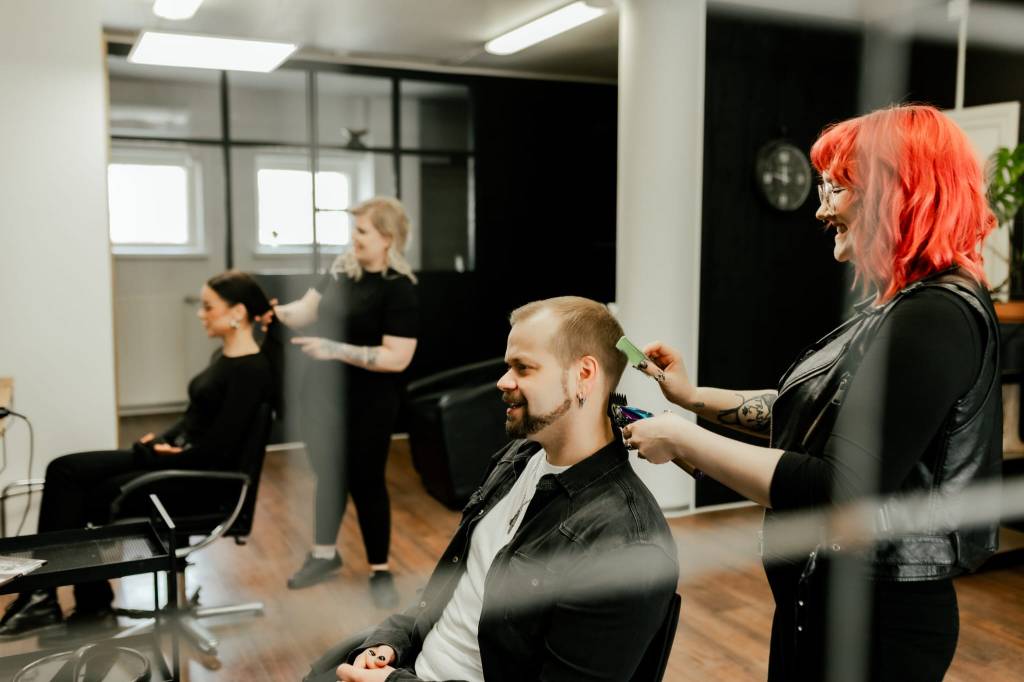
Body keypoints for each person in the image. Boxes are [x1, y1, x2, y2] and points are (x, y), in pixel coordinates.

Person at [624, 104, 1001, 681]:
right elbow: (818, 416)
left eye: (836, 188)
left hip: (876, 626)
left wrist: (683, 441)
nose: (822, 208)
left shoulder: (934, 318)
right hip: (828, 602)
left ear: (897, 193)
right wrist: (692, 398)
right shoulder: (903, 307)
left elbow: (840, 485)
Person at [317, 296, 679, 682]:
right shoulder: (518, 458)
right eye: (508, 366)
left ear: (583, 374)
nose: (503, 381)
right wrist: (392, 641)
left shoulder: (625, 544)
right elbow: (455, 583)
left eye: (523, 367)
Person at [0, 270, 281, 638]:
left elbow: (217, 454)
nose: (200, 313)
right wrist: (160, 441)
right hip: (179, 464)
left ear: (238, 313)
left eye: (208, 306)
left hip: (202, 484)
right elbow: (193, 421)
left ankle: (67, 602)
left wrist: (156, 456)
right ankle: (55, 599)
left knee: (84, 487)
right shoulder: (225, 357)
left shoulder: (252, 371)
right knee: (64, 469)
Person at [273, 197, 418, 607]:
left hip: (370, 403)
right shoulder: (340, 270)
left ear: (387, 237)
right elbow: (304, 311)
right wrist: (272, 312)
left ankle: (380, 570)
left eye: (362, 231)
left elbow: (397, 358)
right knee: (328, 476)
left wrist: (333, 349)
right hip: (322, 398)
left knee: (367, 481)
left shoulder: (399, 288)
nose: (354, 238)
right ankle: (323, 556)